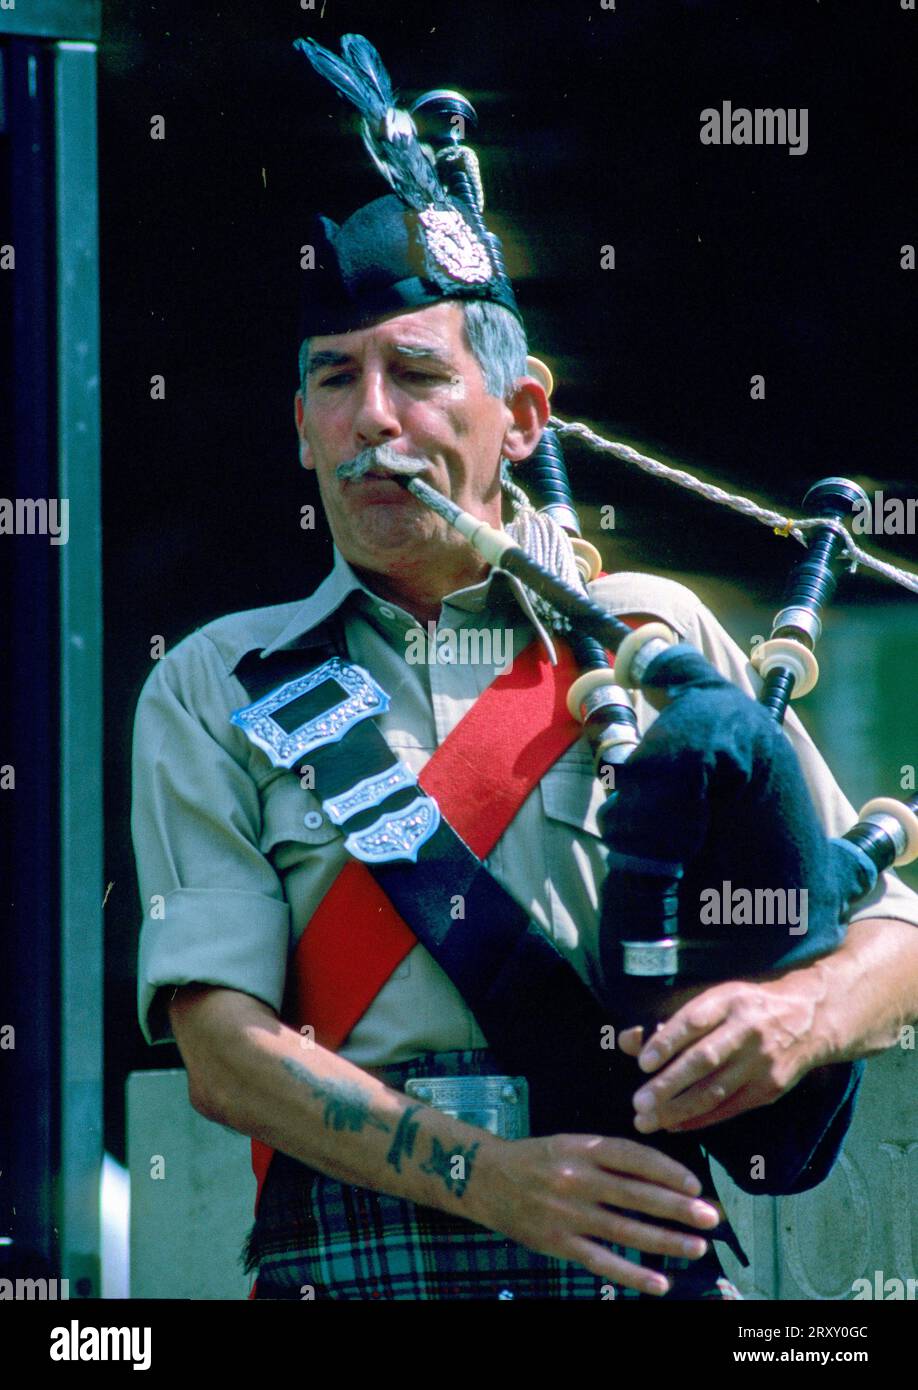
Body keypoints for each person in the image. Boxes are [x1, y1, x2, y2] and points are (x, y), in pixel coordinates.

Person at [131, 37, 918, 1301]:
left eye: (419, 373)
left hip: (636, 1246)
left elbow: (891, 930)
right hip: (356, 1254)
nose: (374, 418)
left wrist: (800, 1017)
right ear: (299, 426)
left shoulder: (646, 634)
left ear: (527, 416)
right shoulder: (216, 683)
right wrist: (491, 1175)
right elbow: (223, 1054)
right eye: (335, 381)